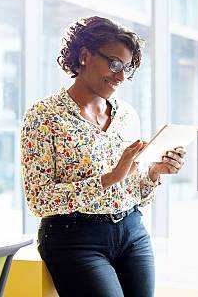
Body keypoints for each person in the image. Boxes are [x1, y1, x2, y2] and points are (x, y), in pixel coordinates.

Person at [20, 16, 186, 297]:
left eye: (127, 68)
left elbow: (135, 192)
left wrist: (154, 173)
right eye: (115, 64)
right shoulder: (44, 116)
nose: (121, 77)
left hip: (132, 232)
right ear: (84, 56)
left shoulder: (127, 115)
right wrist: (109, 179)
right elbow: (39, 200)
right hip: (75, 239)